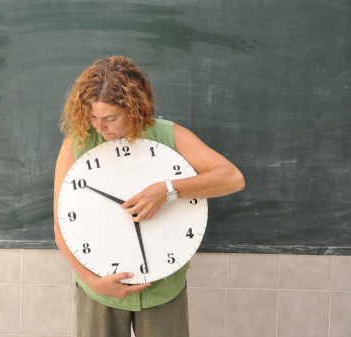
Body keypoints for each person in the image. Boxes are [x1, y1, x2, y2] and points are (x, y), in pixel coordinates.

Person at [53, 56, 245, 337]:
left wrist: (167, 190)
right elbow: (61, 227)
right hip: (100, 288)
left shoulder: (168, 136)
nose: (100, 127)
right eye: (93, 117)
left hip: (163, 288)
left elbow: (232, 178)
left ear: (133, 108)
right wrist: (93, 282)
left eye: (110, 118)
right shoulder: (77, 144)